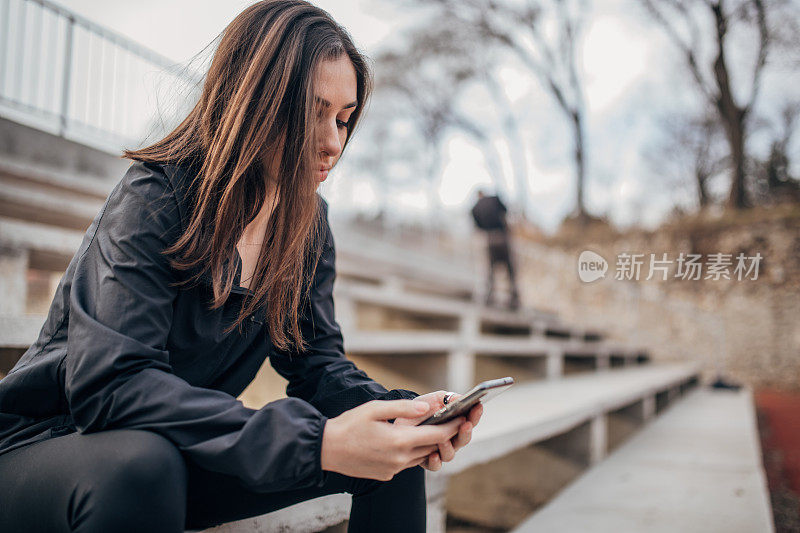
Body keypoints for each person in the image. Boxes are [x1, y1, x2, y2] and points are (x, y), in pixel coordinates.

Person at [0, 2, 483, 532]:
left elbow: (317, 364)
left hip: (178, 451)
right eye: (313, 114)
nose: (333, 143)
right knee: (142, 465)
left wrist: (408, 413)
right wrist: (316, 442)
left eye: (344, 120)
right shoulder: (154, 196)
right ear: (253, 100)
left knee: (393, 454)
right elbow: (111, 384)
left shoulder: (307, 225)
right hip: (54, 448)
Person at [471, 189, 521, 310]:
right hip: (503, 237)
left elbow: (477, 227)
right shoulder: (494, 199)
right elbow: (505, 211)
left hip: (490, 239)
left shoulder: (475, 208)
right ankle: (514, 299)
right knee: (510, 270)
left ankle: (489, 298)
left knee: (490, 271)